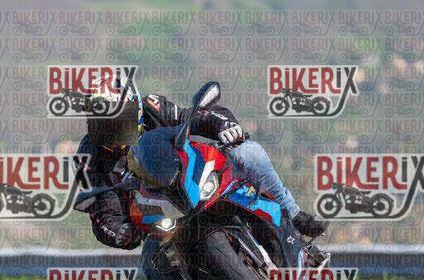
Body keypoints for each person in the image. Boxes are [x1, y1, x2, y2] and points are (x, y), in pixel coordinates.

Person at [75, 91, 328, 253]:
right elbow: (102, 212)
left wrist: (224, 126)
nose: (113, 132)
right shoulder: (89, 159)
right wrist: (119, 232)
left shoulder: (153, 108)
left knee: (249, 153)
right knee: (154, 266)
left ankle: (293, 214)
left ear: (136, 112)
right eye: (102, 125)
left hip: (194, 180)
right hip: (157, 215)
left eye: (119, 122)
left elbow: (194, 117)